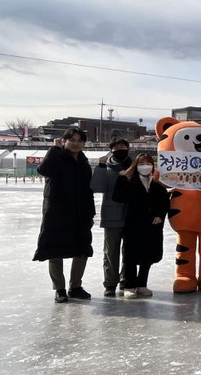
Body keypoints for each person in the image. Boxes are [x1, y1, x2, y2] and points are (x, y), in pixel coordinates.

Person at [33, 128, 96, 303]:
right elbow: (43, 169)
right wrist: (54, 149)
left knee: (82, 249)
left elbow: (87, 191)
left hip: (80, 213)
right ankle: (59, 289)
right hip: (57, 212)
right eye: (71, 139)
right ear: (64, 141)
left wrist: (90, 213)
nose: (75, 143)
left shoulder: (84, 163)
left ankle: (75, 286)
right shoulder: (56, 158)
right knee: (54, 250)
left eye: (79, 140)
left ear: (84, 143)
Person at [112, 153, 170, 299]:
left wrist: (160, 215)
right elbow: (117, 197)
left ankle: (142, 284)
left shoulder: (157, 184)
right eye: (142, 163)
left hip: (152, 226)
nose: (145, 166)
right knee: (130, 256)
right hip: (133, 225)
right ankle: (129, 285)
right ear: (136, 165)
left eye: (148, 163)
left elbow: (164, 203)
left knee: (148, 255)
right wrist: (121, 178)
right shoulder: (130, 182)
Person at [91, 138, 132, 296]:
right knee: (111, 251)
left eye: (123, 146)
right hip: (112, 215)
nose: (120, 149)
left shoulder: (134, 166)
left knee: (129, 251)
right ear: (111, 149)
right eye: (116, 147)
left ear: (128, 149)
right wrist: (100, 167)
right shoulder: (105, 167)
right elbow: (96, 187)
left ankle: (125, 279)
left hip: (131, 215)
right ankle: (110, 283)